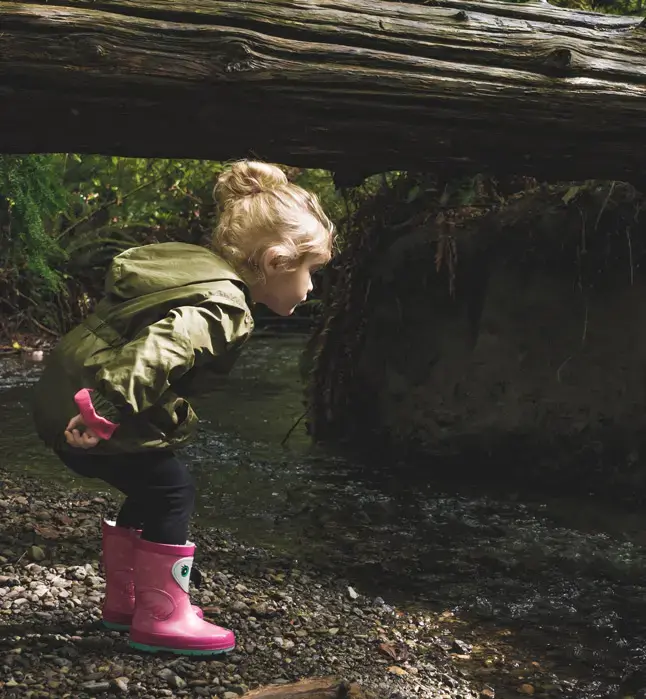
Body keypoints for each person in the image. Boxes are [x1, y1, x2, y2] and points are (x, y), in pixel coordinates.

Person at [32, 160, 334, 656]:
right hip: (91, 405)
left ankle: (125, 602)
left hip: (60, 394)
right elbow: (162, 349)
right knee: (174, 491)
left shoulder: (197, 270)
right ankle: (163, 615)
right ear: (278, 260)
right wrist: (103, 408)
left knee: (151, 486)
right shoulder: (225, 306)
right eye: (312, 271)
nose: (312, 287)